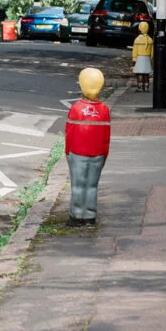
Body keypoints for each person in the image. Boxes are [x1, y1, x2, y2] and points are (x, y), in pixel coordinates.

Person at [65, 68, 111, 224]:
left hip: (77, 153)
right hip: (98, 153)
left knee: (77, 185)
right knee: (92, 186)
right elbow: (106, 136)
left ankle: (76, 215)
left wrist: (67, 152)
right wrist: (105, 154)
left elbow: (69, 133)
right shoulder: (104, 110)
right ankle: (90, 215)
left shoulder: (76, 109)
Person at [131, 21, 154, 92]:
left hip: (139, 59)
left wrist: (134, 59)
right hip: (147, 58)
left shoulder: (137, 40)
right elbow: (152, 51)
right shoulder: (150, 39)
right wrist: (151, 58)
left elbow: (135, 50)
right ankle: (146, 87)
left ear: (139, 29)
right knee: (146, 74)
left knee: (139, 73)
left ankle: (139, 87)